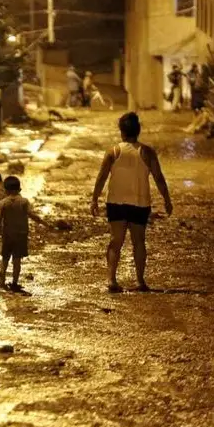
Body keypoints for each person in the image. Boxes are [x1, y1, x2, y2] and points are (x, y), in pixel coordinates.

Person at [91, 113, 174, 293]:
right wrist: (167, 199)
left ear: (122, 131)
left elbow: (102, 177)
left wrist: (94, 199)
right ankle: (140, 281)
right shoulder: (147, 152)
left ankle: (111, 280)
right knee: (139, 242)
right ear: (138, 131)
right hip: (140, 203)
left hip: (116, 202)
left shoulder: (113, 152)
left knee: (115, 241)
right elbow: (159, 178)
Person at [0, 176, 56, 291]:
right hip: (21, 235)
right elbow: (32, 215)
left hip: (7, 235)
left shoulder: (3, 203)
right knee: (17, 260)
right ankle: (14, 283)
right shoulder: (24, 202)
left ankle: (2, 281)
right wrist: (45, 223)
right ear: (19, 189)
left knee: (5, 258)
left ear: (5, 190)